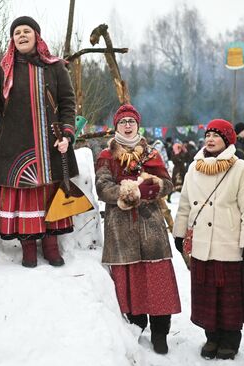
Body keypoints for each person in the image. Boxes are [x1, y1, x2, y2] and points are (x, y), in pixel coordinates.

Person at [0, 16, 78, 268]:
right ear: (12, 39)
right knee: (24, 195)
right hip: (15, 143)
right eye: (16, 32)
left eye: (26, 31)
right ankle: (28, 245)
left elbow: (67, 103)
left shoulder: (55, 67)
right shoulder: (3, 70)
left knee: (49, 192)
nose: (21, 35)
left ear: (36, 36)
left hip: (50, 143)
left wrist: (67, 134)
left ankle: (51, 245)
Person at [95, 104, 181, 354]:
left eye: (132, 121)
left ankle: (160, 332)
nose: (128, 125)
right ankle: (136, 326)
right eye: (123, 122)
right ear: (116, 126)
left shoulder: (151, 154)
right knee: (131, 278)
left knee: (157, 279)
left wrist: (152, 186)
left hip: (150, 226)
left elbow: (167, 183)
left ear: (138, 125)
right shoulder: (106, 156)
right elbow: (102, 188)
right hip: (121, 228)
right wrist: (129, 191)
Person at [174, 119, 244, 360]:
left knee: (227, 295)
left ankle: (230, 339)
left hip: (228, 242)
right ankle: (212, 337)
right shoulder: (194, 168)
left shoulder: (241, 169)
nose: (210, 139)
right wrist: (179, 234)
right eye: (208, 134)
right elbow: (184, 205)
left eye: (216, 135)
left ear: (228, 139)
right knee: (206, 293)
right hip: (202, 243)